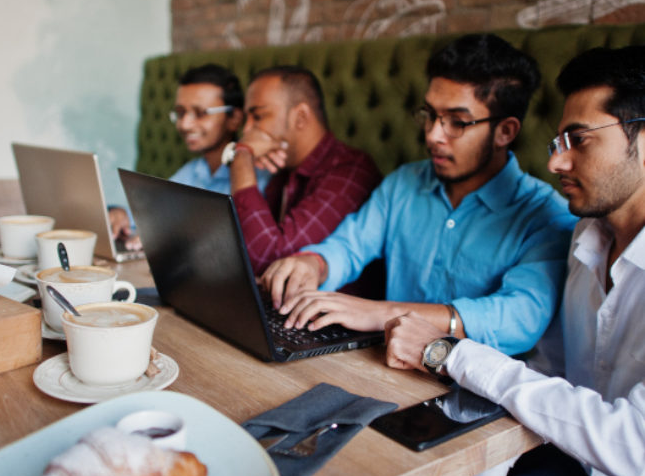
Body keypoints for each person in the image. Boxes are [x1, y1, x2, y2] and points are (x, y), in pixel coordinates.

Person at [383, 45, 645, 476]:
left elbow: (634, 449)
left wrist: (452, 353)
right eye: (558, 140)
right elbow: (551, 369)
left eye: (579, 140)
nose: (556, 160)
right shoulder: (585, 238)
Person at [261, 34, 575, 355]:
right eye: (430, 114)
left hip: (473, 391)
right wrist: (315, 263)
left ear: (505, 131)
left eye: (457, 122)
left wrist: (381, 312)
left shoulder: (547, 217)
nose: (433, 135)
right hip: (384, 367)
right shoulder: (404, 183)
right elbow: (349, 245)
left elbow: (518, 319)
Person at [224, 65, 382, 275]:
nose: (246, 130)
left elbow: (268, 258)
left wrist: (241, 157)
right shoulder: (282, 169)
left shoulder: (351, 170)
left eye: (258, 116)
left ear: (300, 117)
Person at [108, 63, 270, 243]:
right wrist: (120, 214)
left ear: (234, 119)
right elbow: (151, 211)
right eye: (180, 112)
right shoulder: (193, 171)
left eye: (201, 113)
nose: (184, 124)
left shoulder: (260, 176)